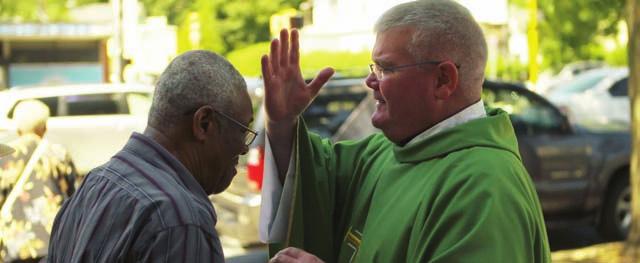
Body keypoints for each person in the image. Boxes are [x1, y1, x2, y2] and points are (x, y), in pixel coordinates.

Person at [259, 0, 551, 262]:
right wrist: (282, 122)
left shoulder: (485, 186)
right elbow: (313, 179)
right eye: (374, 68)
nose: (370, 82)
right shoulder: (384, 152)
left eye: (385, 69)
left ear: (442, 80)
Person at [47, 50, 255, 262]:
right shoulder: (178, 220)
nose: (244, 148)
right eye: (242, 130)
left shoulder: (94, 183)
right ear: (204, 123)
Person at [0, 100, 77, 262]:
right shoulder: (59, 154)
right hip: (53, 242)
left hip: (14, 245)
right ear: (45, 127)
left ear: (18, 128)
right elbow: (73, 200)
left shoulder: (5, 156)